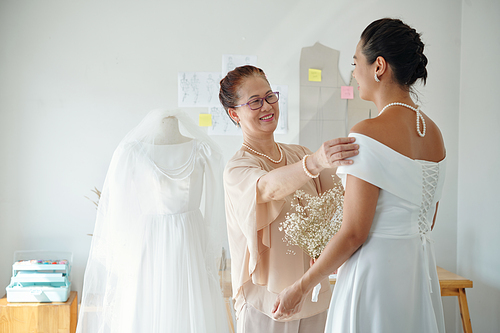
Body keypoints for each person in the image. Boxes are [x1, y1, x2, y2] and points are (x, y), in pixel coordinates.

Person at [272, 18, 447, 333]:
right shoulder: (434, 134)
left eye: (355, 63)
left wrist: (299, 288)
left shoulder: (367, 133)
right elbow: (427, 219)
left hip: (375, 276)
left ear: (379, 66)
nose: (353, 73)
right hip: (417, 275)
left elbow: (354, 233)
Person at [219, 65, 359, 333]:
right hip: (265, 305)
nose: (267, 106)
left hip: (313, 296)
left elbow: (342, 198)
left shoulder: (298, 153)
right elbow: (267, 189)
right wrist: (316, 161)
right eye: (255, 102)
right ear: (234, 114)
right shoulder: (237, 168)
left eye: (270, 96)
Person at [76, 109, 229, 333]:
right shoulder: (130, 153)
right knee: (146, 305)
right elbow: (118, 210)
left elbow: (216, 206)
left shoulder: (203, 151)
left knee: (190, 308)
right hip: (148, 245)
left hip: (190, 244)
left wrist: (211, 251)